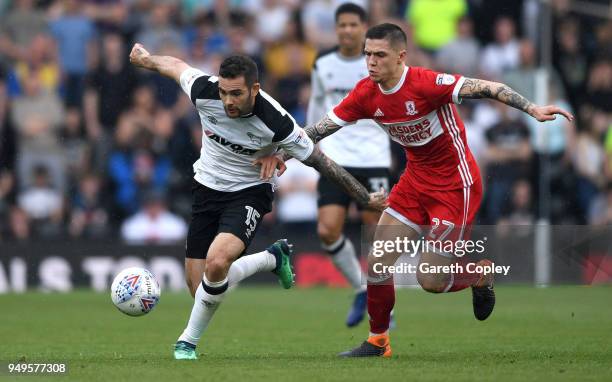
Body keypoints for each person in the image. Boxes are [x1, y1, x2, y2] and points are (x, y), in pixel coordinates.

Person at [265, 23, 573, 357]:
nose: (371, 62)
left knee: (431, 281)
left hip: (455, 187)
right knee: (379, 259)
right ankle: (378, 341)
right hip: (414, 183)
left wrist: (532, 109)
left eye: (379, 55)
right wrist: (283, 152)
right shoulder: (365, 94)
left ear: (400, 57)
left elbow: (488, 87)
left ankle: (479, 273)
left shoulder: (426, 83)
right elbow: (320, 128)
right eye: (367, 54)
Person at [128, 43, 387, 360]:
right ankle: (270, 259)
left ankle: (186, 343)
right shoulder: (203, 90)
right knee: (200, 289)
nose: (227, 101)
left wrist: (365, 198)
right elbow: (174, 64)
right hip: (206, 188)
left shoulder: (277, 121)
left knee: (217, 262)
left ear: (255, 89)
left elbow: (322, 162)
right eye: (223, 92)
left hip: (250, 191)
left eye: (236, 94)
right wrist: (146, 59)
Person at [307, 3, 391, 327]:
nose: (346, 30)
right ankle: (361, 288)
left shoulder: (378, 63)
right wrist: (309, 146)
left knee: (376, 235)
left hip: (373, 157)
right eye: (341, 25)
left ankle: (384, 305)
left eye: (353, 25)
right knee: (327, 230)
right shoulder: (323, 63)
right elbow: (317, 104)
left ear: (364, 27)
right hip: (334, 157)